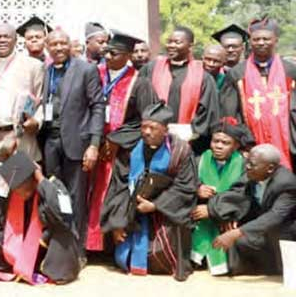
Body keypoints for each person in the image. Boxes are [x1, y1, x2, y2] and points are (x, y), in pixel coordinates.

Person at [102, 103, 196, 281]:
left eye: (153, 128)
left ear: (165, 130)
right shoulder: (131, 149)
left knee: (161, 257)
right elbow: (120, 186)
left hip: (165, 211)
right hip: (132, 211)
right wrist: (118, 221)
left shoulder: (181, 151)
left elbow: (185, 187)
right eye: (144, 126)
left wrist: (155, 205)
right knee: (123, 256)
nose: (146, 132)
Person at [86, 31, 157, 253]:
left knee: (115, 194)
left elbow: (145, 120)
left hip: (121, 151)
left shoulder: (140, 82)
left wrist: (116, 140)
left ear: (127, 55)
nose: (107, 57)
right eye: (106, 52)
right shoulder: (94, 74)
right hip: (91, 146)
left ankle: (108, 247)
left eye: (114, 53)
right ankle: (88, 244)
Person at [38, 29, 105, 250]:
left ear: (70, 45)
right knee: (55, 195)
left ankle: (77, 250)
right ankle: (59, 246)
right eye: (53, 44)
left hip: (77, 143)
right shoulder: (46, 71)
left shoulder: (86, 69)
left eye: (62, 43)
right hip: (50, 143)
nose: (58, 48)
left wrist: (94, 145)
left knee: (76, 198)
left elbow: (97, 106)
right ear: (47, 47)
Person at [0, 151, 81, 285]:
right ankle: (13, 267)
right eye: (16, 189)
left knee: (61, 237)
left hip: (46, 244)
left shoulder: (54, 186)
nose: (19, 193)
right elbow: (1, 218)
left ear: (32, 179)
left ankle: (47, 270)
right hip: (24, 241)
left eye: (22, 189)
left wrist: (41, 180)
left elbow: (63, 215)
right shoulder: (15, 195)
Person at [204, 144, 296, 275]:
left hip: (286, 231)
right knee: (235, 236)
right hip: (263, 229)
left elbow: (275, 216)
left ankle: (284, 269)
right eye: (247, 162)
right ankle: (242, 269)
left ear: (270, 168)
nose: (247, 167)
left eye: (252, 164)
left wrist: (237, 232)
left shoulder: (287, 183)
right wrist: (231, 215)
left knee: (242, 234)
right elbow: (237, 194)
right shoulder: (253, 174)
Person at [142, 26, 219, 155]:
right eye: (169, 41)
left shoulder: (203, 76)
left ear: (190, 46)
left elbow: (208, 111)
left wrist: (191, 131)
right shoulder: (151, 68)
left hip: (188, 142)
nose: (171, 45)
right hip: (152, 139)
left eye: (177, 42)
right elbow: (142, 100)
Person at [232, 17, 296, 169]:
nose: (261, 42)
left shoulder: (291, 71)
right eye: (256, 39)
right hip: (250, 144)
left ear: (276, 40)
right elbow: (231, 115)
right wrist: (245, 142)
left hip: (287, 143)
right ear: (250, 42)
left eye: (266, 39)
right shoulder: (237, 73)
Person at [189, 117, 247, 276]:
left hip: (230, 217)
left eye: (225, 143)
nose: (219, 146)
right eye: (216, 141)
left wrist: (213, 209)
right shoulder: (199, 160)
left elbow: (242, 195)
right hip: (198, 217)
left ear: (236, 145)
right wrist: (197, 188)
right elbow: (183, 183)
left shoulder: (244, 164)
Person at [0, 23, 45, 162]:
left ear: (16, 40)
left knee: (18, 181)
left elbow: (41, 99)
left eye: (6, 37)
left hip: (20, 138)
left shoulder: (33, 66)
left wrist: (36, 121)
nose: (2, 40)